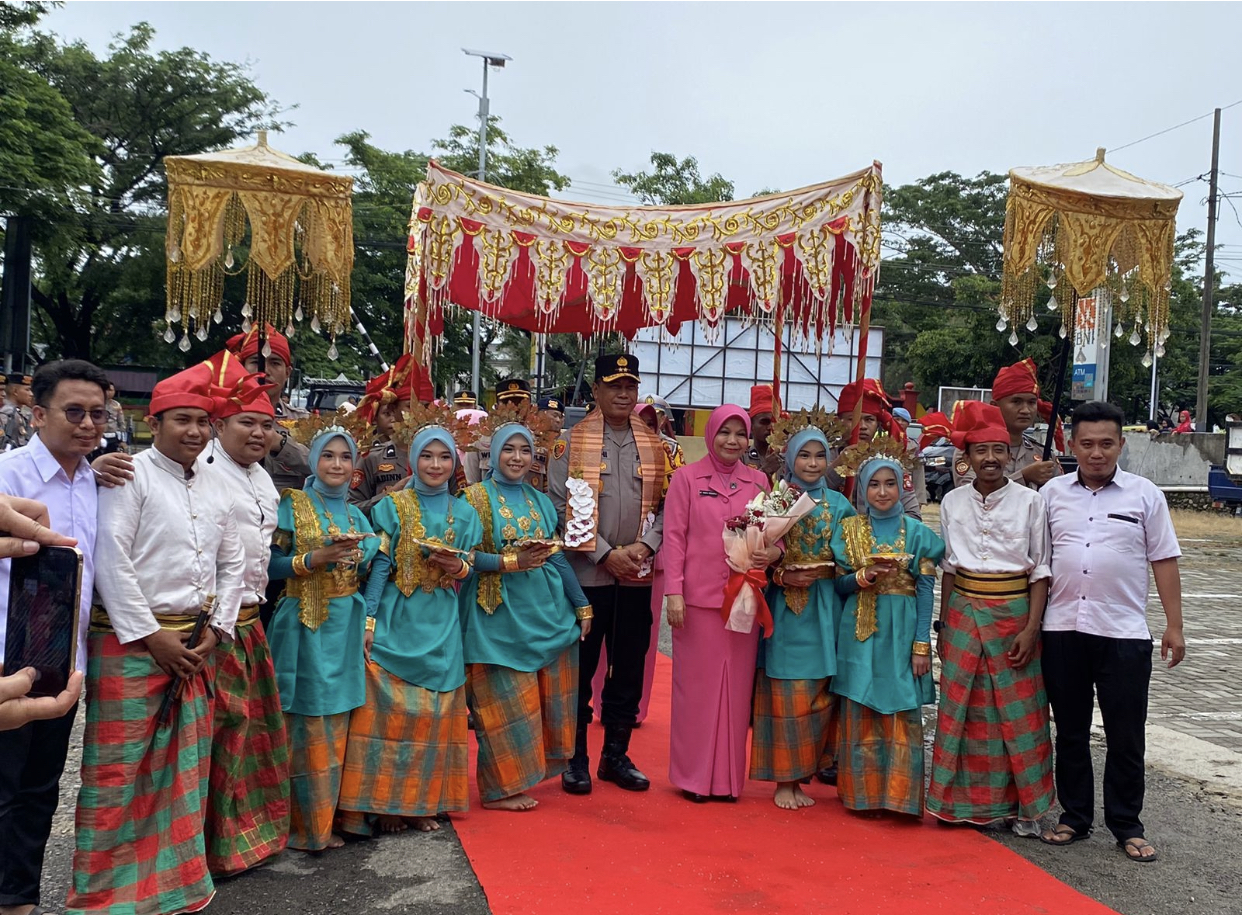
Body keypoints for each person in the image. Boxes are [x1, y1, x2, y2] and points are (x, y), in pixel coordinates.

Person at [67, 364, 245, 915]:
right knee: (118, 770)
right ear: (155, 420)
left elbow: (233, 563)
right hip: (129, 646)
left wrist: (218, 629)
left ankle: (176, 885)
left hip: (195, 644)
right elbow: (110, 561)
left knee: (182, 771)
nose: (194, 431)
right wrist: (151, 636)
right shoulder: (130, 475)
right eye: (181, 420)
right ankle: (103, 894)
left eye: (202, 422)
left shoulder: (218, 484)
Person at [1039, 401, 1185, 862]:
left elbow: (1164, 559)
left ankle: (1127, 825)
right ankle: (1074, 817)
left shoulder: (1145, 495)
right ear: (1072, 444)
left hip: (1123, 633)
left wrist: (1175, 626)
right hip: (1061, 629)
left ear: (1122, 444)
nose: (1097, 453)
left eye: (1106, 443)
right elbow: (1038, 563)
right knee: (1070, 731)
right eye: (1087, 444)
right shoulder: (1051, 495)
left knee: (1126, 734)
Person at [0, 360, 108, 915]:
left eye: (98, 413)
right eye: (74, 412)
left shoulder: (98, 482)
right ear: (39, 415)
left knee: (41, 788)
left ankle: (17, 898)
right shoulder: (8, 476)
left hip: (62, 658)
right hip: (6, 655)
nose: (88, 424)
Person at [338, 424, 480, 834]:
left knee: (433, 715)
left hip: (440, 621)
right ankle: (384, 804)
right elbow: (381, 567)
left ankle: (421, 804)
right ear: (413, 460)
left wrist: (457, 566)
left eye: (444, 457)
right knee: (387, 714)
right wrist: (369, 620)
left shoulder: (466, 513)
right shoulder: (394, 506)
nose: (435, 465)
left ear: (454, 463)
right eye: (426, 456)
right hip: (396, 618)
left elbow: (468, 567)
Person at [926, 401, 1054, 836]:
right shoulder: (952, 501)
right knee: (962, 708)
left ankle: (1024, 808)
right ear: (967, 456)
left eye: (999, 450)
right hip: (963, 612)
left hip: (1014, 613)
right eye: (981, 450)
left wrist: (1032, 628)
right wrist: (943, 626)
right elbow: (949, 568)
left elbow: (1040, 570)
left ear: (1009, 453)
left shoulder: (1031, 502)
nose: (991, 458)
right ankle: (958, 805)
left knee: (1017, 714)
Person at [548, 354, 665, 795]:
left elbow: (668, 506)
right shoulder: (569, 444)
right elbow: (559, 508)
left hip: (636, 572)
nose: (623, 394)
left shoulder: (655, 444)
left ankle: (615, 755)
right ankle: (575, 758)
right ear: (595, 390)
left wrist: (645, 546)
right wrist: (603, 554)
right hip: (587, 576)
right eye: (614, 385)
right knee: (580, 668)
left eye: (630, 386)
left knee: (629, 667)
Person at [461, 421, 592, 811]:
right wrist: (508, 563)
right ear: (493, 454)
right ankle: (499, 789)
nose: (517, 458)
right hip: (495, 614)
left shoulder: (540, 501)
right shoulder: (473, 499)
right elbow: (464, 557)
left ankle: (525, 777)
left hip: (543, 611)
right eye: (509, 449)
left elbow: (556, 556)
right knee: (502, 701)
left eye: (524, 450)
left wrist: (581, 603)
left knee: (536, 700)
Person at [266, 427, 379, 853]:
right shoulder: (292, 505)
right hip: (303, 624)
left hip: (345, 627)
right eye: (328, 455)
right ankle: (300, 828)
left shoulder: (356, 516)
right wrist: (314, 558)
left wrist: (368, 621)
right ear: (313, 460)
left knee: (339, 723)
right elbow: (268, 565)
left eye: (345, 457)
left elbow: (373, 566)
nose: (337, 464)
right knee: (304, 722)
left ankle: (329, 819)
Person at [199, 368, 291, 877]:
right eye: (246, 423)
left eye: (266, 425)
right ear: (219, 425)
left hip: (253, 621)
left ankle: (243, 840)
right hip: (214, 626)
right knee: (218, 735)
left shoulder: (261, 476)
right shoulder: (203, 470)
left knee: (249, 733)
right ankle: (209, 848)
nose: (258, 433)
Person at [664, 404, 775, 802]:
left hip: (744, 598)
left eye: (740, 433)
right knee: (696, 692)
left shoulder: (759, 482)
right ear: (711, 434)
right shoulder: (686, 478)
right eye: (725, 432)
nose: (733, 440)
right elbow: (674, 537)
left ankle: (727, 781)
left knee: (736, 691)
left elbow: (773, 535)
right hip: (699, 602)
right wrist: (673, 592)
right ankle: (693, 778)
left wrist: (771, 554)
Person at [830, 445, 944, 817]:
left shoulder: (919, 534)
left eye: (890, 483)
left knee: (900, 705)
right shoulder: (848, 531)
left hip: (902, 631)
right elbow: (839, 585)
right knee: (860, 703)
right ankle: (860, 796)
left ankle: (900, 798)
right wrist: (861, 577)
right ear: (862, 489)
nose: (882, 492)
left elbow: (925, 591)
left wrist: (922, 644)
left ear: (901, 486)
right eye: (874, 484)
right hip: (860, 631)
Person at [751, 422, 855, 810]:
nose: (812, 463)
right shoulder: (774, 501)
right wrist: (781, 574)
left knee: (819, 696)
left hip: (826, 608)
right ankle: (784, 780)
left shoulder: (841, 506)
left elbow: (850, 561)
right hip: (784, 610)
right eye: (804, 455)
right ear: (790, 458)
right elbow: (753, 556)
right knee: (786, 693)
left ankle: (803, 776)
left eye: (820, 456)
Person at [951, 359, 1062, 490]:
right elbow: (971, 494)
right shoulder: (973, 451)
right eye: (1016, 402)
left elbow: (1061, 495)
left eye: (1032, 402)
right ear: (994, 406)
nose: (1026, 410)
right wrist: (1024, 477)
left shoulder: (1043, 454)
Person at [231, 324, 312, 492]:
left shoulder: (304, 422)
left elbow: (325, 467)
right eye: (256, 362)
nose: (265, 371)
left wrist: (282, 445)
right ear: (242, 367)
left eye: (275, 363)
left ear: (288, 372)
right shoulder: (223, 417)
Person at [827, 379, 921, 521]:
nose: (862, 426)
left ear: (878, 424)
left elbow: (913, 515)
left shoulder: (889, 461)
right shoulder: (822, 456)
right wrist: (838, 465)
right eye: (852, 419)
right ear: (838, 421)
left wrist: (879, 523)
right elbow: (811, 493)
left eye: (869, 420)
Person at [350, 356, 432, 515]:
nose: (419, 413)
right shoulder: (373, 458)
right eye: (410, 406)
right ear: (393, 410)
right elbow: (351, 510)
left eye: (426, 406)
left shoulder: (444, 457)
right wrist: (390, 496)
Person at [744, 383, 783, 478]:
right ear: (751, 425)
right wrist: (765, 470)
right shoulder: (741, 458)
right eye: (764, 422)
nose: (770, 427)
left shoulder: (788, 460)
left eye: (775, 422)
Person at [0, 374, 33, 451]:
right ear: (15, 391)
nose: (31, 394)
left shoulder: (21, 413)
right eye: (27, 390)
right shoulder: (6, 413)